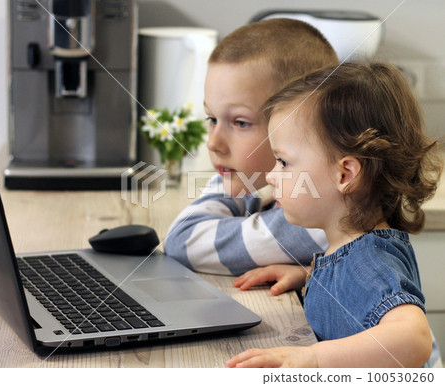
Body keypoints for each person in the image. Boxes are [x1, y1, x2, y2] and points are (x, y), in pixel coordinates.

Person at [227, 62, 443, 368]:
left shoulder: (368, 262)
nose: (272, 175)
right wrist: (309, 275)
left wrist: (313, 358)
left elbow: (414, 339)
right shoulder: (355, 248)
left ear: (345, 175)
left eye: (283, 162)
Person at [164, 19, 338, 278]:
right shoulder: (264, 185)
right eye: (212, 119)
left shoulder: (316, 214)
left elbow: (183, 240)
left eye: (241, 123)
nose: (213, 142)